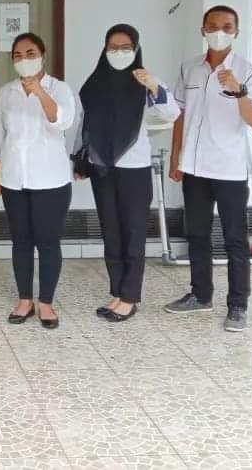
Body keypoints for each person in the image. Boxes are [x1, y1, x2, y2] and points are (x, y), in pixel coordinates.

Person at [165, 5, 252, 332]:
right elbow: (179, 114)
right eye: (212, 25)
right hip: (194, 165)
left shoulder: (249, 72)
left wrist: (239, 91)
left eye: (226, 26)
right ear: (202, 29)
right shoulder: (189, 69)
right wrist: (176, 158)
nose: (219, 31)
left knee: (234, 238)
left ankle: (238, 304)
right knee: (196, 234)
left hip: (229, 168)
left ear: (236, 32)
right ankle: (200, 294)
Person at [74, 24, 179, 322]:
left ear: (136, 49)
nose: (118, 53)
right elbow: (85, 123)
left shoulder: (144, 81)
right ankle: (118, 292)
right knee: (111, 232)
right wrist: (81, 160)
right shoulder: (95, 82)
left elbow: (172, 113)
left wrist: (153, 86)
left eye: (125, 48)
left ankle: (130, 297)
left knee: (132, 233)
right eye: (113, 47)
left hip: (134, 168)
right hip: (102, 167)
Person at [0, 32, 75, 329]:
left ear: (42, 55)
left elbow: (62, 121)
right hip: (14, 179)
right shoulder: (6, 92)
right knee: (21, 242)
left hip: (51, 181)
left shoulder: (59, 89)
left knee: (48, 242)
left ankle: (46, 302)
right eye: (18, 55)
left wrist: (39, 91)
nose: (24, 59)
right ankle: (25, 299)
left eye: (30, 53)